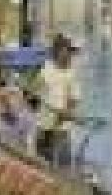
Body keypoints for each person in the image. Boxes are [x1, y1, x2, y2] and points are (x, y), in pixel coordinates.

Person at [33, 34, 82, 167]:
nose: (70, 56)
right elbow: (35, 95)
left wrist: (65, 113)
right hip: (44, 127)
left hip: (62, 130)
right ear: (59, 51)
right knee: (41, 165)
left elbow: (74, 99)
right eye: (67, 51)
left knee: (62, 166)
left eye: (71, 52)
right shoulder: (45, 71)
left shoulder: (71, 74)